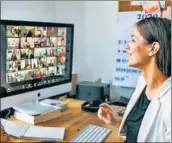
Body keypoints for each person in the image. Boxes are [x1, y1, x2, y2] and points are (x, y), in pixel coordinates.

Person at [98, 17, 171, 142]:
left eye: (133, 40)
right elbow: (144, 132)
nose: (127, 46)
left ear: (153, 48)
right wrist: (115, 122)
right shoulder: (142, 82)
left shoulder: (169, 101)